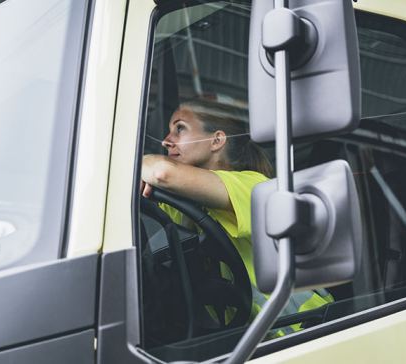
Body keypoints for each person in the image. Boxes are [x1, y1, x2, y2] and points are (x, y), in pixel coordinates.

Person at [141, 99, 332, 334]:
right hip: (254, 343)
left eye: (180, 128)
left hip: (311, 331)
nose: (166, 140)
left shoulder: (253, 187)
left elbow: (162, 172)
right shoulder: (184, 203)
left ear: (217, 140)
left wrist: (137, 164)